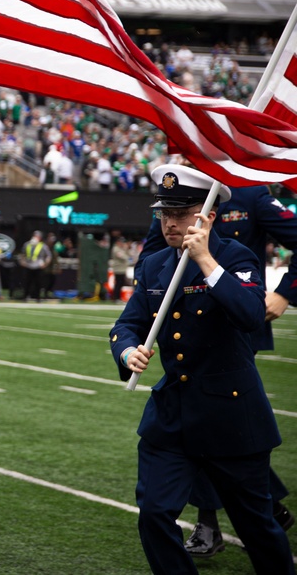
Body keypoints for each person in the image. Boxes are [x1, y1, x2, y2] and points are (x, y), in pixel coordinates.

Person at [110, 164, 294, 575]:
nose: (170, 222)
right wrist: (126, 353)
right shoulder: (154, 265)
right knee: (155, 514)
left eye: (181, 213)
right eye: (164, 213)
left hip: (231, 418)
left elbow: (250, 315)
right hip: (172, 416)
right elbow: (126, 325)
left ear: (207, 215)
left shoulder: (234, 257)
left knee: (257, 528)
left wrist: (206, 261)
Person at [20, 230, 51, 301]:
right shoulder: (27, 244)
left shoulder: (43, 246)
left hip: (38, 266)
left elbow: (48, 256)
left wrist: (45, 264)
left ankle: (38, 297)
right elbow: (22, 254)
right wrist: (22, 262)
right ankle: (25, 296)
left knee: (38, 283)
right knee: (27, 282)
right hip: (29, 266)